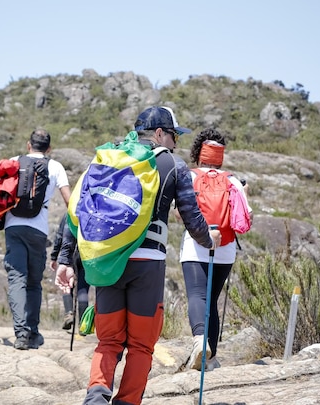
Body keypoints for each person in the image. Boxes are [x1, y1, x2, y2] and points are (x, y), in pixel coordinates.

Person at [55, 106, 222, 405]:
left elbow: (76, 211)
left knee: (108, 341)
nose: (176, 142)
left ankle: (95, 398)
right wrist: (210, 240)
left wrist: (66, 260)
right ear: (159, 133)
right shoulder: (173, 164)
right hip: (148, 265)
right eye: (173, 135)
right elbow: (193, 219)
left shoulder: (107, 160)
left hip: (107, 262)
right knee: (142, 345)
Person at [180, 128, 253, 371]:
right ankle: (211, 359)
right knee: (211, 301)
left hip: (196, 244)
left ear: (199, 152)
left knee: (197, 296)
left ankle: (200, 343)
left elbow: (177, 209)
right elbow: (246, 216)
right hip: (226, 246)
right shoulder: (233, 180)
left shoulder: (189, 176)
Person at [4, 128, 72, 350]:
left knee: (17, 279)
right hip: (38, 230)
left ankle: (20, 334)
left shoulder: (14, 161)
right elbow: (69, 202)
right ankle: (33, 332)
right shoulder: (55, 166)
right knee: (33, 283)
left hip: (13, 226)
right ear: (49, 148)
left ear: (28, 145)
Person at [49, 214, 90, 331]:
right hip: (86, 255)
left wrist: (54, 256)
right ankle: (83, 324)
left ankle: (69, 313)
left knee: (66, 283)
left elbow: (60, 237)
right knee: (83, 289)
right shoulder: (91, 210)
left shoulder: (69, 214)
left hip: (70, 253)